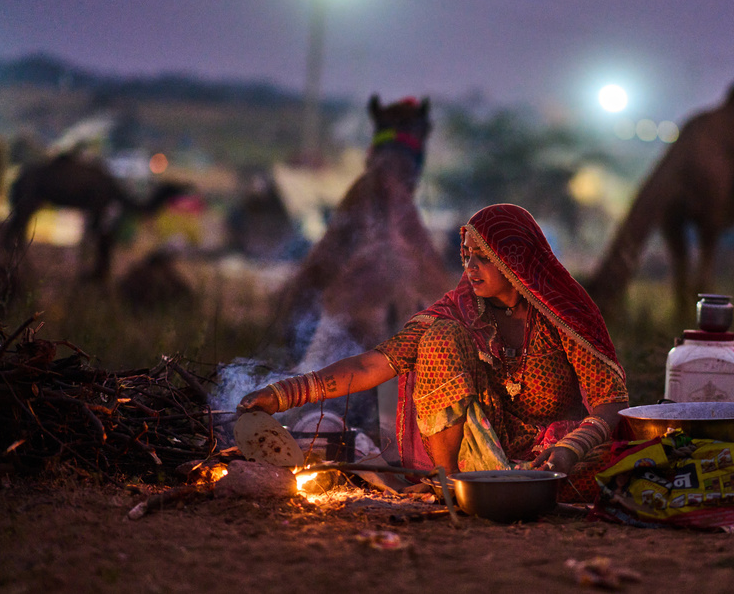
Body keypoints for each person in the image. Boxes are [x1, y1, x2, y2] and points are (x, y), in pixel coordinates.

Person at [238, 204, 627, 494]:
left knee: (613, 469)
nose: (470, 268)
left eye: (485, 258)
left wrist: (570, 450)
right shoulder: (459, 309)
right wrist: (282, 394)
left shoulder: (563, 312)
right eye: (467, 255)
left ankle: (516, 483)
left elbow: (610, 401)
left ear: (517, 261)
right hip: (482, 463)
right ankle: (446, 484)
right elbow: (375, 364)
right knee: (438, 336)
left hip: (560, 458)